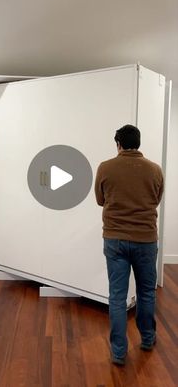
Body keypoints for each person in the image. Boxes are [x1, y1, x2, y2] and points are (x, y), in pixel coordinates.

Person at [94, 124, 164, 366]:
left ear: (118, 144)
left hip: (115, 240)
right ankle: (147, 338)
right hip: (146, 240)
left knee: (117, 297)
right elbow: (156, 199)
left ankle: (118, 352)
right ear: (139, 143)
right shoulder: (155, 169)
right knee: (146, 292)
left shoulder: (106, 167)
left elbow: (100, 200)